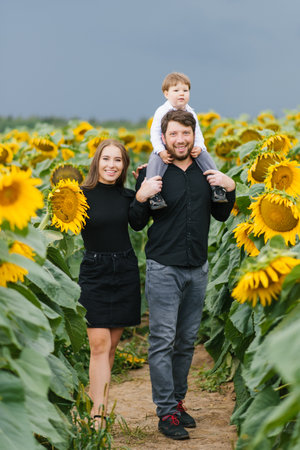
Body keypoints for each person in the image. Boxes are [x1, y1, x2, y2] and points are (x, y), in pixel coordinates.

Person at [130, 110, 236, 440]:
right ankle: (165, 411)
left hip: (197, 269)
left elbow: (220, 214)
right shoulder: (152, 173)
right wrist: (140, 195)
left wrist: (230, 187)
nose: (180, 140)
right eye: (173, 134)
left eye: (185, 134)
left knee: (187, 341)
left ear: (193, 136)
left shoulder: (207, 173)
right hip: (164, 267)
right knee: (163, 341)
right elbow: (136, 221)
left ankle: (177, 402)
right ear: (164, 138)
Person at [78, 139, 155, 429]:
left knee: (110, 347)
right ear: (97, 162)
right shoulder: (80, 194)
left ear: (124, 166)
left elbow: (138, 224)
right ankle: (97, 414)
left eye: (118, 160)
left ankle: (101, 404)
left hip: (123, 270)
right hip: (94, 272)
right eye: (106, 159)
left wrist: (142, 193)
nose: (111, 165)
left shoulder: (127, 196)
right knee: (98, 345)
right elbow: (62, 219)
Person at [147, 72, 227, 210]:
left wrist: (199, 146)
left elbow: (198, 133)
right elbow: (154, 133)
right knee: (154, 162)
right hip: (164, 148)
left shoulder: (191, 112)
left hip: (187, 148)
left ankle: (217, 187)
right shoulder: (162, 111)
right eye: (176, 90)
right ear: (166, 94)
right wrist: (160, 151)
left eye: (185, 90)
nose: (181, 94)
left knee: (205, 157)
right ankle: (154, 195)